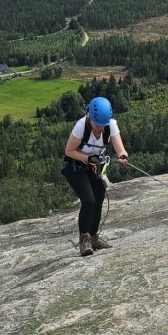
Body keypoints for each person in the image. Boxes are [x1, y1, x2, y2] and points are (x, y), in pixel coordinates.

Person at [61, 96, 129, 256]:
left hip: (91, 166)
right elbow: (69, 151)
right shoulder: (81, 127)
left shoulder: (110, 125)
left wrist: (122, 155)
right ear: (90, 116)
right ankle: (84, 240)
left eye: (103, 125)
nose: (100, 129)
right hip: (74, 166)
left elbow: (119, 146)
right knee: (89, 200)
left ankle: (93, 237)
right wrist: (88, 158)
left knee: (98, 195)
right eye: (97, 124)